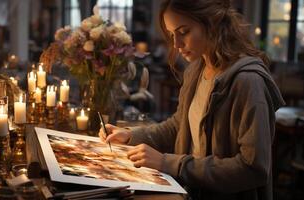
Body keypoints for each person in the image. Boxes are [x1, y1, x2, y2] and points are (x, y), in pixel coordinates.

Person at [99, 0, 285, 199]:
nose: (177, 45)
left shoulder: (248, 81)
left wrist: (167, 163)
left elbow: (253, 169)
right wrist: (131, 136)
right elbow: (179, 125)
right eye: (172, 35)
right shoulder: (197, 69)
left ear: (211, 23)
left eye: (184, 31)